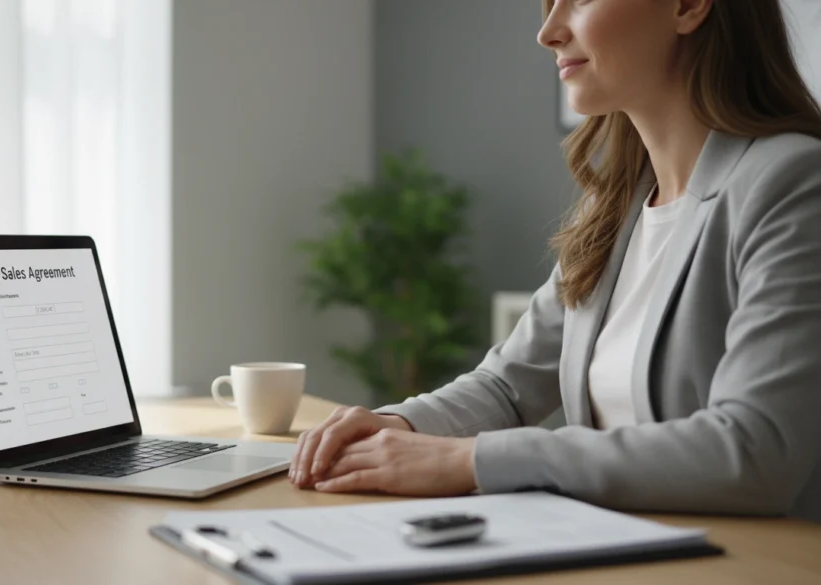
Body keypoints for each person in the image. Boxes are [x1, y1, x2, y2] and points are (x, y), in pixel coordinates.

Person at [289, 0, 821, 521]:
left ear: (687, 6)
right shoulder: (613, 207)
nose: (548, 32)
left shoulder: (790, 182)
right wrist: (397, 425)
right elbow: (508, 385)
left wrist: (468, 461)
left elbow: (756, 450)